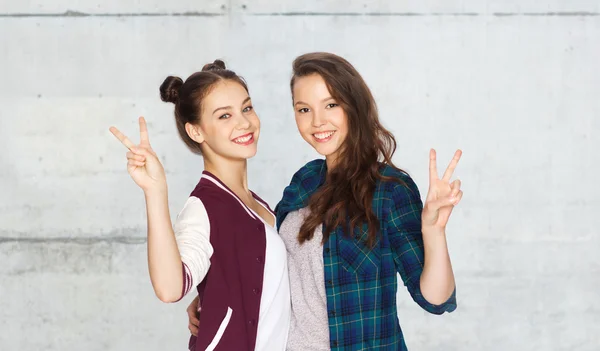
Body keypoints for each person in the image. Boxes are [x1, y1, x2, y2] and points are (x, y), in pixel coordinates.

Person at [187, 52, 463, 351]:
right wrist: (213, 295)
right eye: (304, 109)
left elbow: (436, 299)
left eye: (331, 105)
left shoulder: (388, 191)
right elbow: (269, 262)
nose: (318, 121)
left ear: (353, 106)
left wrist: (435, 232)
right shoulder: (304, 181)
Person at [109, 60, 290, 351]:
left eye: (246, 108)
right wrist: (156, 191)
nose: (244, 123)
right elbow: (170, 288)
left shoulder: (258, 204)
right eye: (224, 116)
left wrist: (212, 296)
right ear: (196, 132)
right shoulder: (203, 206)